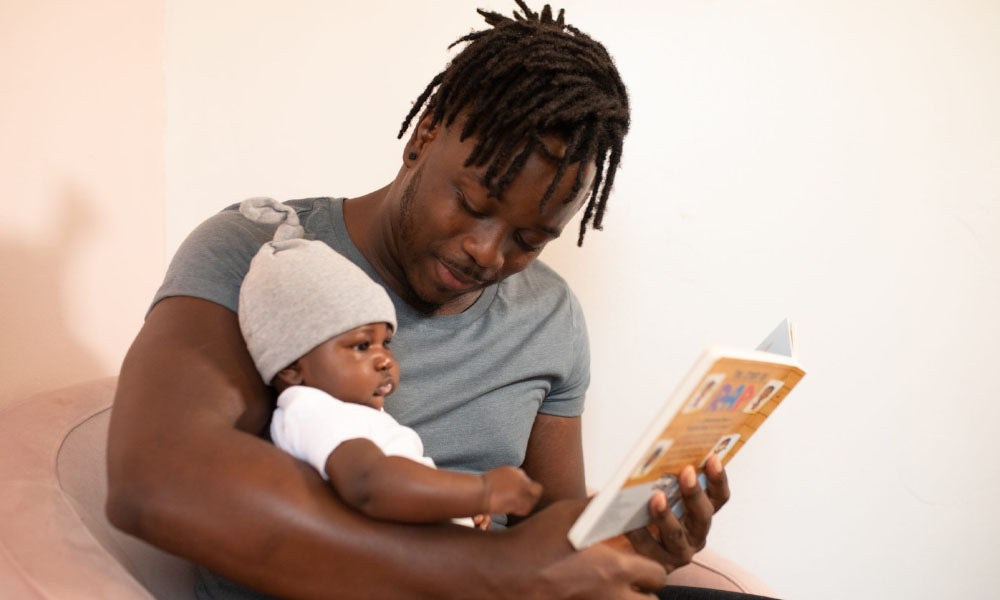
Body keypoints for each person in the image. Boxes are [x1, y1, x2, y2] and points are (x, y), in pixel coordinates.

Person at [107, 2, 755, 598]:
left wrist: (634, 546)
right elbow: (155, 477)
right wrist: (489, 573)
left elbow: (545, 520)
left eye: (530, 239)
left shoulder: (550, 316)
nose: (488, 253)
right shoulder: (262, 251)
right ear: (423, 137)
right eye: (473, 204)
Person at [237, 197, 541, 530]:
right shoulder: (310, 412)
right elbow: (369, 484)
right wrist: (479, 492)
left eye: (386, 343)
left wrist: (454, 510)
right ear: (292, 366)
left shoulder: (349, 413)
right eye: (362, 345)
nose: (383, 359)